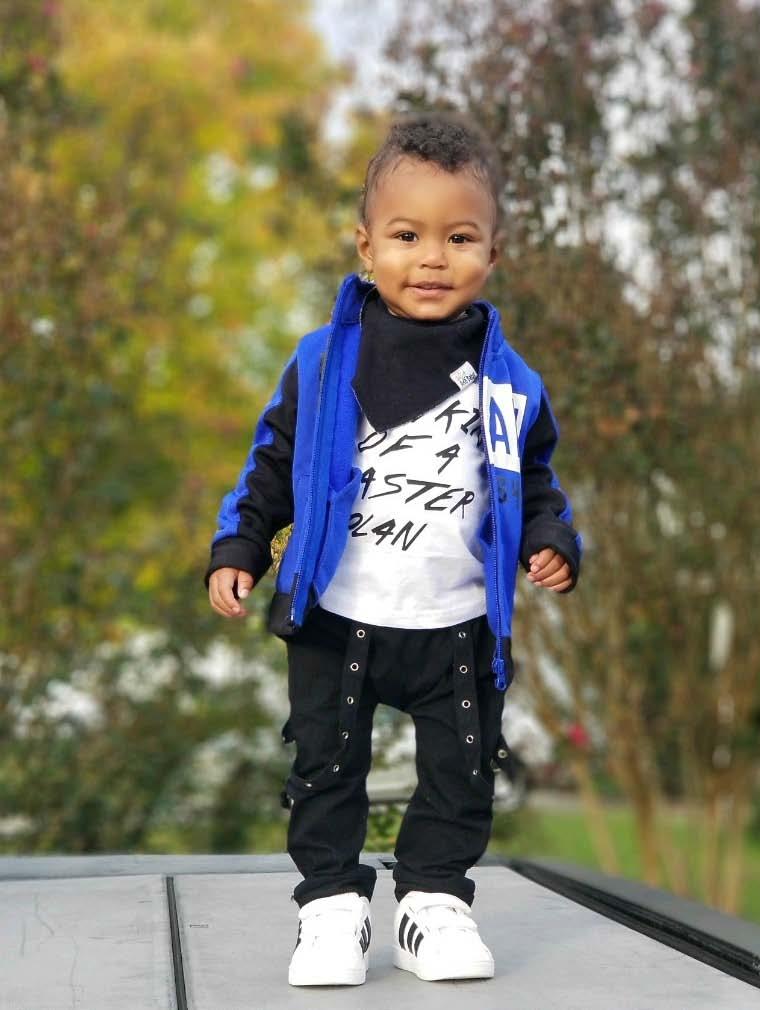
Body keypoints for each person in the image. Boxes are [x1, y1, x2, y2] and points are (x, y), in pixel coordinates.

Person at [205, 111, 582, 987]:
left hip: (457, 625)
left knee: (462, 771)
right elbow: (272, 464)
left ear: (492, 253)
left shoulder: (509, 383)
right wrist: (240, 544)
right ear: (365, 246)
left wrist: (551, 538)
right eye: (407, 236)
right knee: (324, 765)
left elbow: (535, 481)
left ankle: (433, 904)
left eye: (459, 238)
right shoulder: (322, 363)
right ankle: (331, 909)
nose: (432, 258)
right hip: (337, 617)